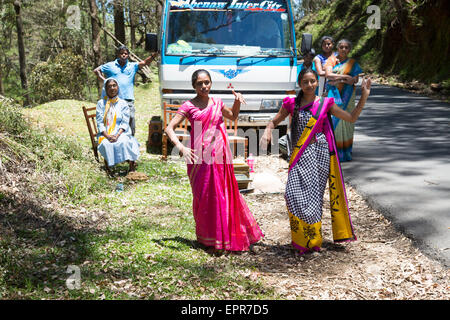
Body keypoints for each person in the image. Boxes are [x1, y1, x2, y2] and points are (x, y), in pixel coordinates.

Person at [260, 67, 371, 255]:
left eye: (312, 81)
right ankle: (301, 239)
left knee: (313, 199)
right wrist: (266, 132)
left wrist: (364, 95)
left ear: (317, 82)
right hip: (299, 156)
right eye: (305, 82)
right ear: (300, 84)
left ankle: (312, 242)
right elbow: (274, 121)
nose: (309, 85)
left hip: (319, 156)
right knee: (292, 195)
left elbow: (351, 118)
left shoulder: (325, 104)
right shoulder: (290, 103)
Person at [164, 69, 264, 253]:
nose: (204, 86)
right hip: (199, 160)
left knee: (222, 196)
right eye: (200, 83)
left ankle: (224, 236)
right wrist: (181, 147)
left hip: (220, 158)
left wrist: (236, 102)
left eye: (207, 82)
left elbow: (233, 116)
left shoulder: (217, 103)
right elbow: (169, 128)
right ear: (194, 86)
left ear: (211, 83)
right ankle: (206, 238)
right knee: (203, 197)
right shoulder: (188, 106)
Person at [93, 45, 157, 136]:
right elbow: (96, 70)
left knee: (130, 118)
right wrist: (105, 81)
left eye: (126, 53)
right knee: (115, 120)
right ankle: (115, 138)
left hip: (128, 99)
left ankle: (131, 139)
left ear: (128, 55)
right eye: (121, 53)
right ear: (118, 55)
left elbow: (144, 63)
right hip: (114, 99)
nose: (124, 55)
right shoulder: (110, 65)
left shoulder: (132, 66)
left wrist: (154, 55)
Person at [324, 39, 363, 162]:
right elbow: (328, 75)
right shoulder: (331, 60)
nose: (344, 50)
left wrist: (338, 80)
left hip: (348, 96)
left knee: (347, 122)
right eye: (341, 47)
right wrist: (345, 77)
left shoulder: (352, 63)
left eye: (346, 47)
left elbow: (354, 80)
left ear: (349, 49)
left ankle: (345, 152)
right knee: (334, 121)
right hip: (333, 95)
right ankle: (333, 152)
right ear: (337, 48)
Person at [96, 78, 140, 175]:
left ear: (118, 87)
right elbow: (99, 123)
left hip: (121, 132)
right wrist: (107, 136)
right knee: (106, 144)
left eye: (114, 85)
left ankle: (131, 167)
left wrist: (117, 135)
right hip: (106, 132)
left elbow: (125, 122)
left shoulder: (123, 103)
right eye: (109, 86)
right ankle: (109, 168)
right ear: (105, 89)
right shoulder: (100, 104)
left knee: (125, 141)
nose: (112, 88)